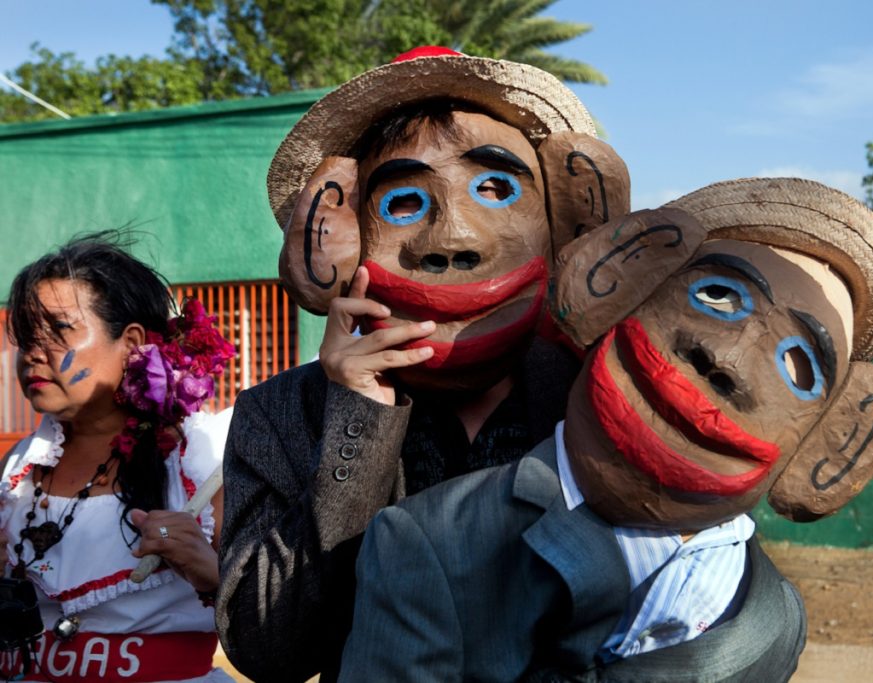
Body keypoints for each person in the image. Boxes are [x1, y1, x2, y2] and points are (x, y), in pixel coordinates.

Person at [338, 178, 873, 681]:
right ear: (611, 285)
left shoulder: (773, 613)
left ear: (833, 453)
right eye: (716, 296)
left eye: (797, 364)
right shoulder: (435, 540)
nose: (726, 361)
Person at [217, 46, 631, 681]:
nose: (452, 241)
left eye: (496, 189)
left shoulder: (613, 398)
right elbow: (268, 647)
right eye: (403, 202)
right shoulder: (279, 416)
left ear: (563, 223)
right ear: (333, 235)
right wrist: (357, 421)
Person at [0, 233, 236, 682]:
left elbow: (279, 618)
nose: (32, 353)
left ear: (130, 342)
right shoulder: (15, 471)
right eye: (27, 335)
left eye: (58, 330)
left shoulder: (200, 462)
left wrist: (211, 574)